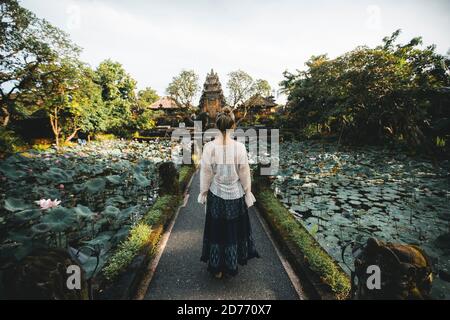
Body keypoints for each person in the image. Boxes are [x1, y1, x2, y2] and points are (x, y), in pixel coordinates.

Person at [198, 107, 259, 279]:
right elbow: (244, 172)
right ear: (233, 126)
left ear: (217, 126)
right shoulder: (239, 147)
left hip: (216, 194)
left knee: (217, 231)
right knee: (232, 231)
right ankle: (231, 263)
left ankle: (217, 268)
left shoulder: (210, 147)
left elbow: (206, 172)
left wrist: (203, 192)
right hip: (235, 195)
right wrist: (248, 191)